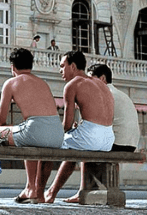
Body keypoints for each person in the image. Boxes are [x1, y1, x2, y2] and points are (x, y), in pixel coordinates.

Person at [0, 48, 63, 203]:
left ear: (13, 66)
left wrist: (7, 129)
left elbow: (0, 121)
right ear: (31, 65)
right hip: (57, 134)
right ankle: (31, 188)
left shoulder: (11, 83)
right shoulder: (43, 82)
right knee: (26, 134)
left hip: (35, 131)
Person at [36, 51, 115, 204]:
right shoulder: (101, 84)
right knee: (72, 146)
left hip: (91, 137)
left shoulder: (72, 85)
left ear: (72, 66)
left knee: (47, 146)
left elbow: (66, 124)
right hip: (108, 139)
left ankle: (38, 194)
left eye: (62, 66)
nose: (60, 70)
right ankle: (51, 192)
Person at [62, 63, 140, 204]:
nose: (89, 81)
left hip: (115, 143)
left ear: (102, 78)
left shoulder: (101, 94)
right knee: (89, 143)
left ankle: (77, 192)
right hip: (131, 145)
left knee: (80, 147)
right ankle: (94, 189)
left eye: (92, 78)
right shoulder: (121, 94)